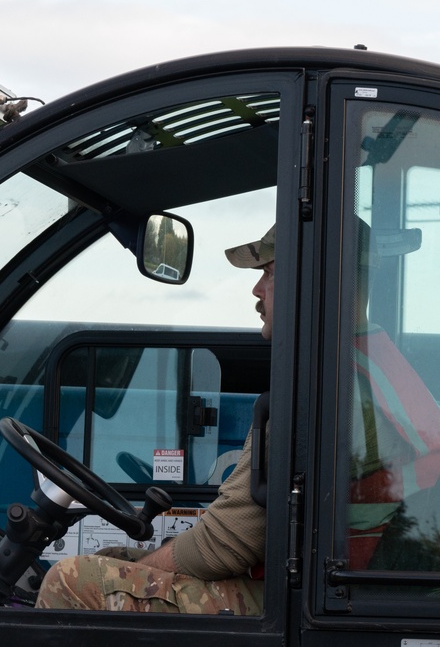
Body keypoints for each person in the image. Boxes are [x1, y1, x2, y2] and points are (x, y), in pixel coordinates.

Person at [35, 225, 277, 615]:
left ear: (308, 282)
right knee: (111, 555)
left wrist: (142, 570)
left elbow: (227, 543)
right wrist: (129, 564)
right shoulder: (360, 371)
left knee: (71, 581)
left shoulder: (320, 388)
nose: (257, 290)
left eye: (269, 273)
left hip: (284, 600)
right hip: (293, 584)